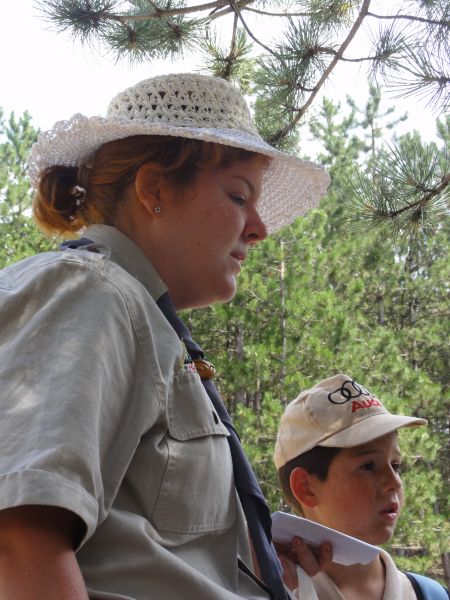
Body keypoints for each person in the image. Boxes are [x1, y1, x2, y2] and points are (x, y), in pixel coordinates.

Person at [0, 73, 330, 599]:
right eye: (239, 196)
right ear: (154, 188)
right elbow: (19, 542)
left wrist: (249, 556)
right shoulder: (89, 293)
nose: (259, 228)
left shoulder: (137, 316)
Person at [273, 373, 448, 599]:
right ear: (306, 488)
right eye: (368, 466)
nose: (394, 482)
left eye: (395, 465)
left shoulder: (430, 594)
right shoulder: (267, 591)